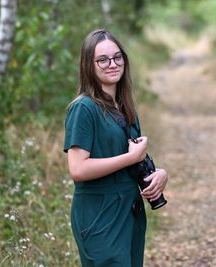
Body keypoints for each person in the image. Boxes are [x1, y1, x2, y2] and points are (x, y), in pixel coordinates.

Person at [63, 29, 168, 266]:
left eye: (117, 57)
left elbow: (135, 157)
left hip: (130, 211)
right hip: (99, 214)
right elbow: (78, 169)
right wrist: (129, 159)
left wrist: (159, 174)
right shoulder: (83, 109)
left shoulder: (124, 106)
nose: (112, 64)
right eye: (102, 59)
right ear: (88, 65)